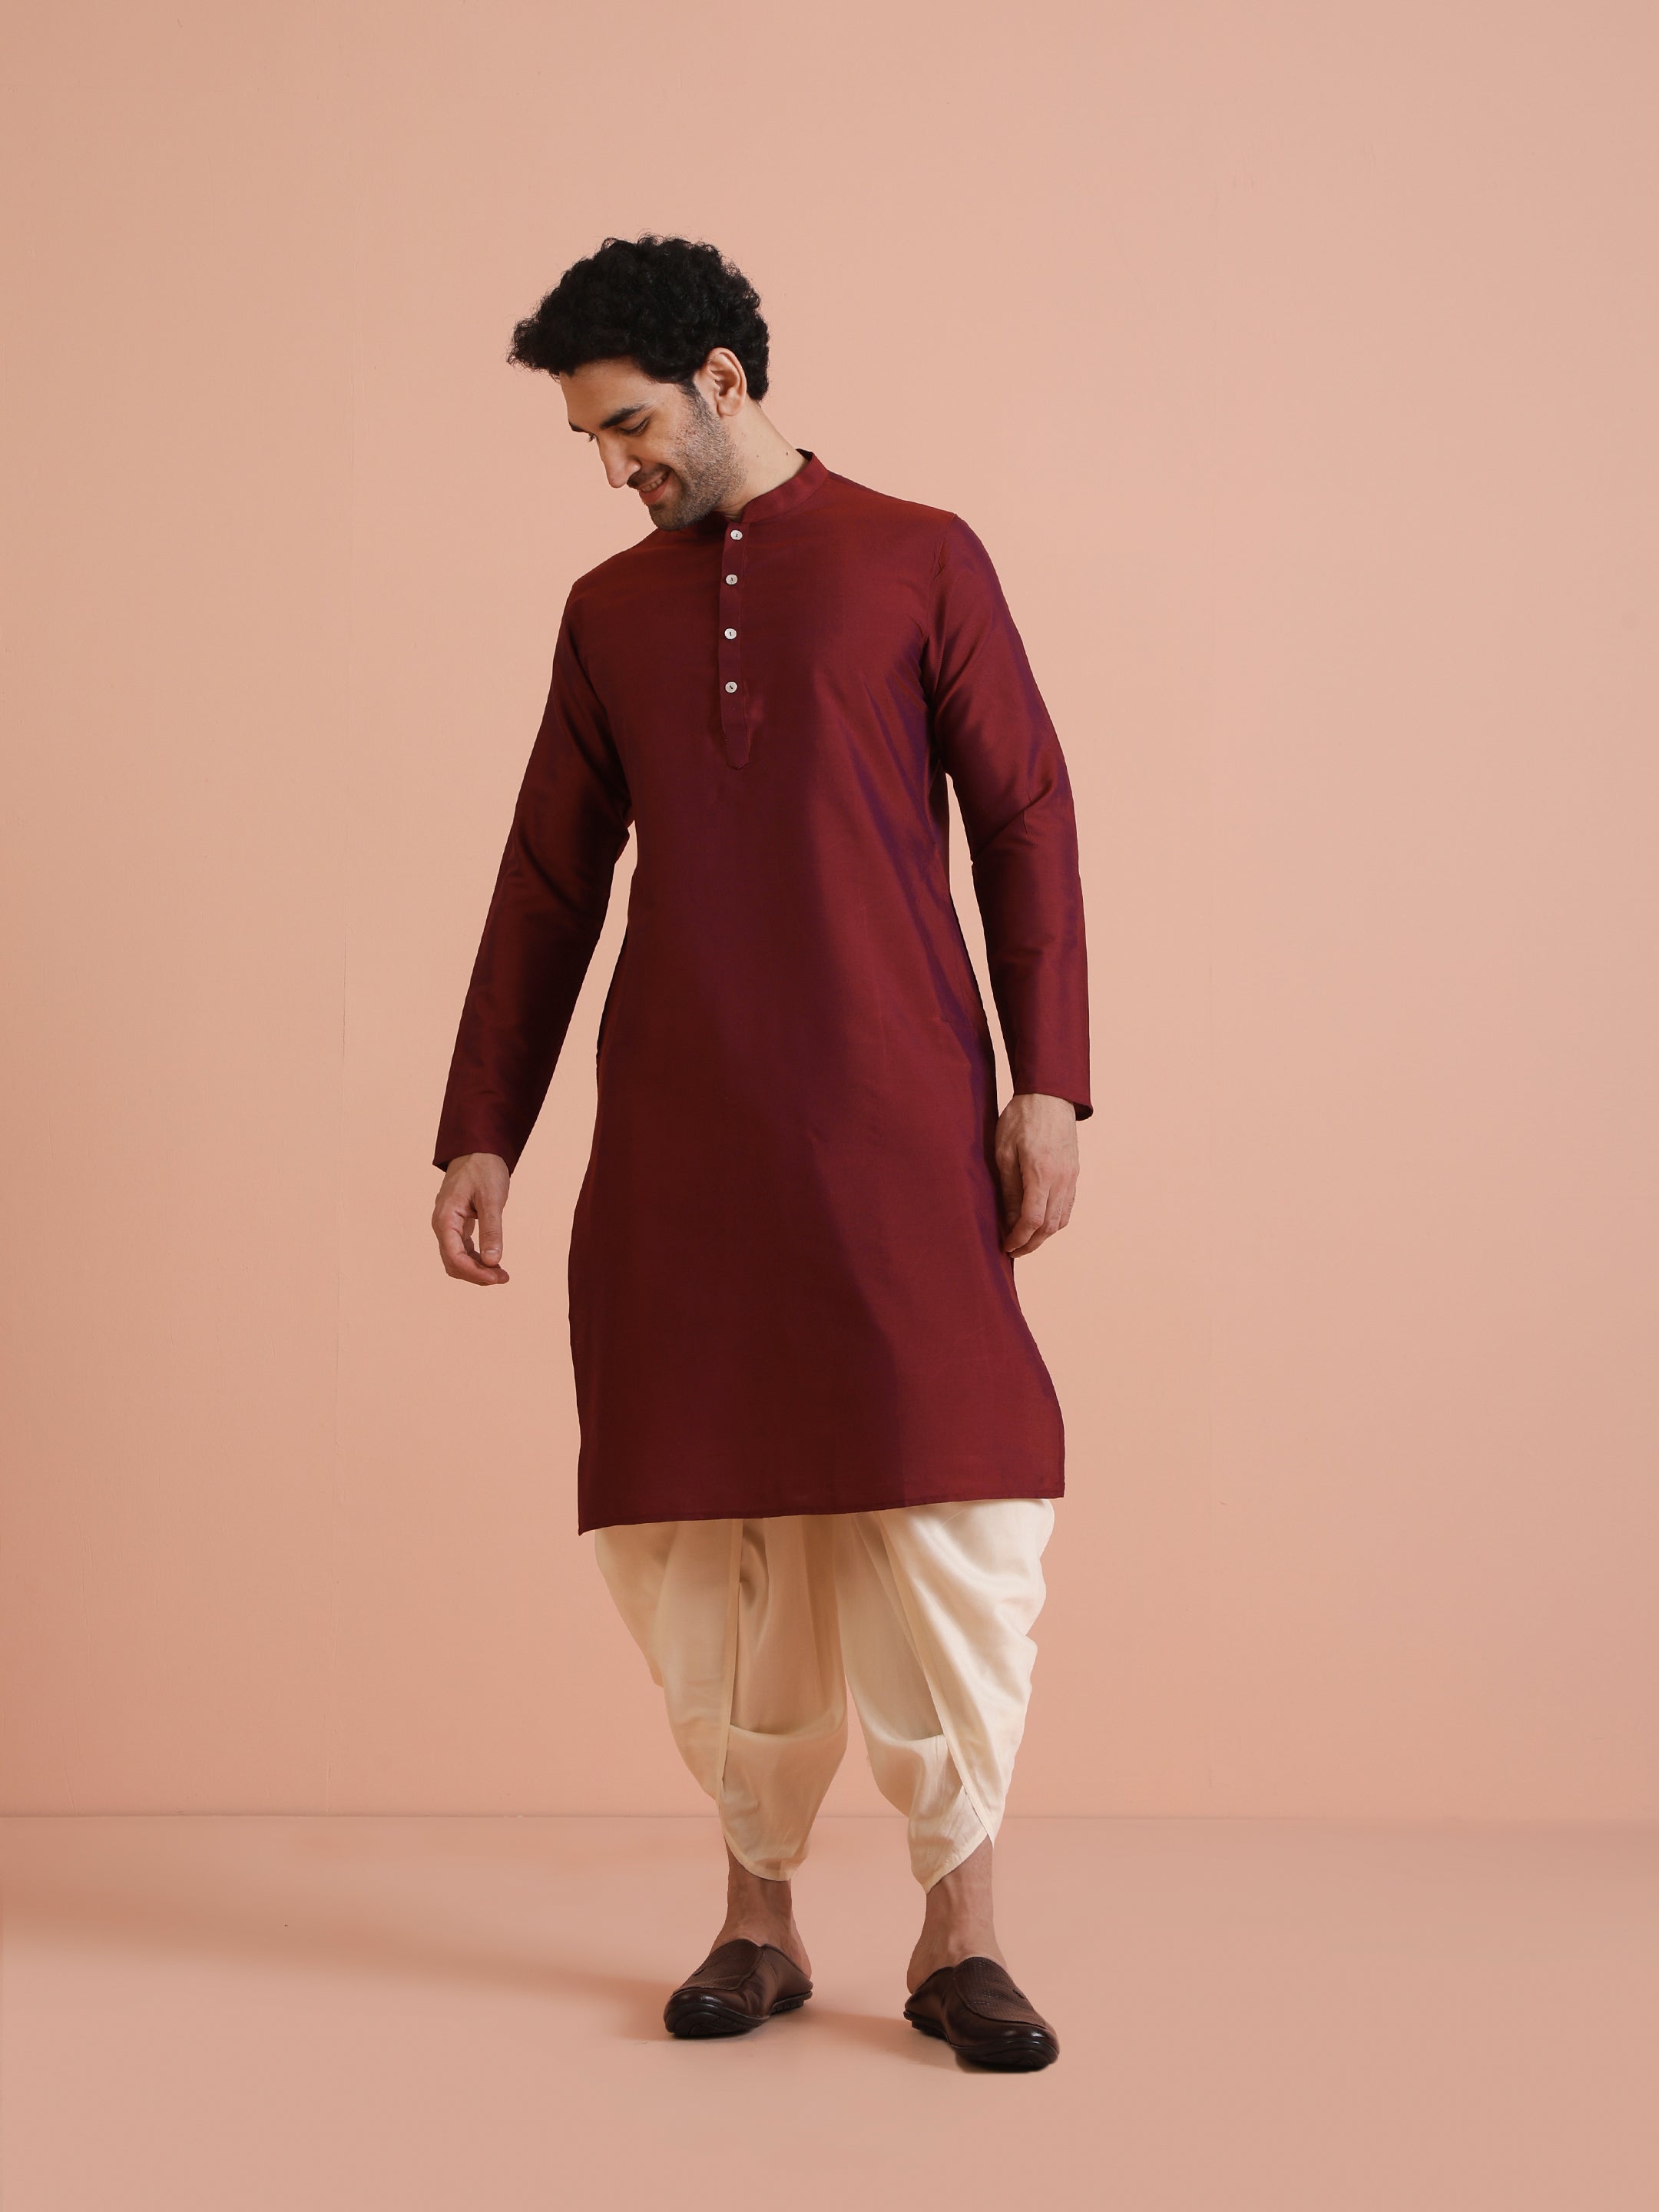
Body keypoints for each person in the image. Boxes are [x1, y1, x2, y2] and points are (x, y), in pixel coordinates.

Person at [430, 234, 1090, 2071]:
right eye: (590, 440)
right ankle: (758, 1924)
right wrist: (483, 1130)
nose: (614, 468)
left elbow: (1026, 818)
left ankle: (963, 1937)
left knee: (945, 1505)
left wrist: (1051, 1084)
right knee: (703, 1524)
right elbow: (549, 879)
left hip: (894, 1114)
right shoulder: (609, 613)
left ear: (723, 379)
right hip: (685, 1128)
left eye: (632, 426)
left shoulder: (920, 557)